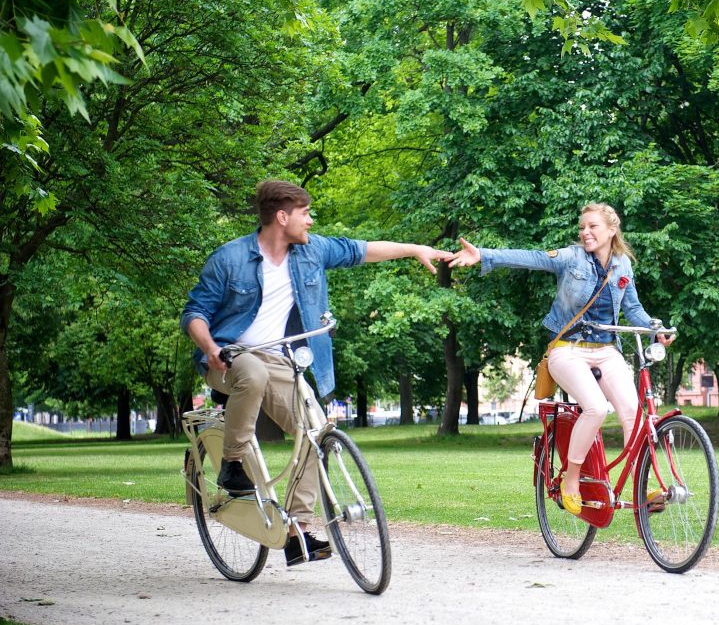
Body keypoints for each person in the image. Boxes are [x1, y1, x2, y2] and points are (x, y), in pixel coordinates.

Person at [181, 180, 451, 566]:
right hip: (229, 358)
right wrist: (211, 350)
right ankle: (233, 465)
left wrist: (414, 250)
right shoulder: (229, 259)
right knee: (252, 372)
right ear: (282, 216)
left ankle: (297, 530)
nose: (310, 220)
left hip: (280, 360)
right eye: (305, 213)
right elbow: (194, 314)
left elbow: (363, 250)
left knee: (316, 432)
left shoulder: (312, 251)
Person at [449, 202, 672, 516]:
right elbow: (534, 258)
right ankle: (571, 479)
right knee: (595, 408)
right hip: (567, 349)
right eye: (582, 227)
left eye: (592, 226)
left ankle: (640, 483)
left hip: (607, 351)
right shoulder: (571, 257)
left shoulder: (622, 265)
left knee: (632, 413)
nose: (585, 232)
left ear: (611, 230)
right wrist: (485, 255)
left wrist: (655, 328)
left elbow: (633, 309)